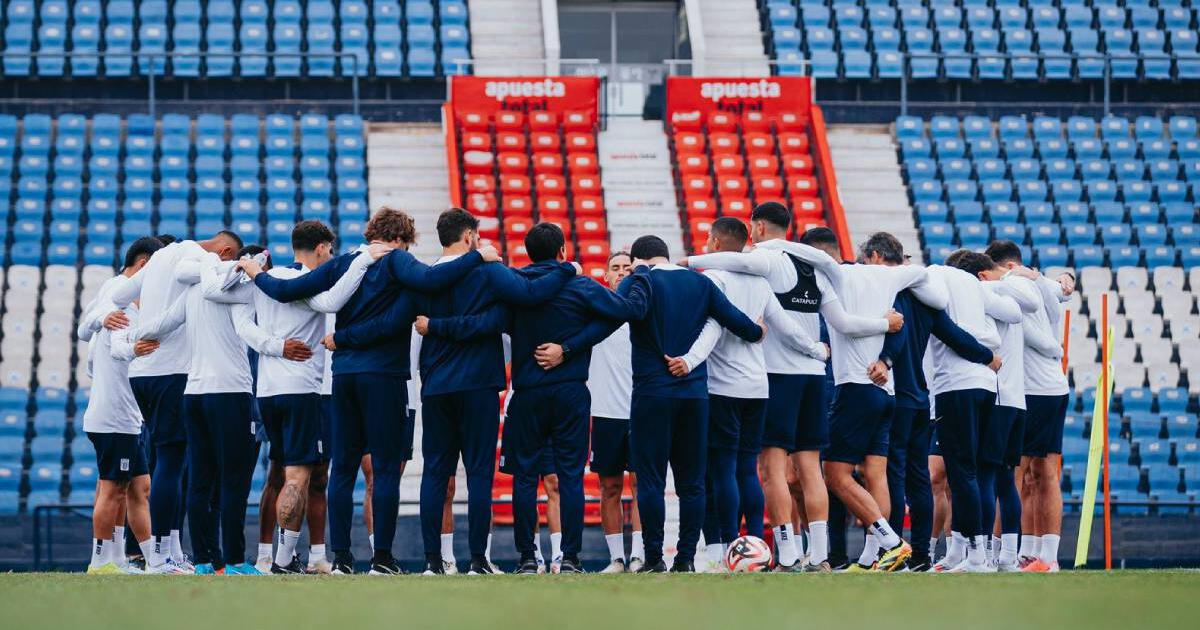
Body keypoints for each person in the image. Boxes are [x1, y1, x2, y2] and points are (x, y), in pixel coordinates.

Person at [245, 208, 498, 574]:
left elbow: (287, 290)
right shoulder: (398, 261)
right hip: (383, 377)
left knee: (343, 469)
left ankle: (343, 558)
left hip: (343, 377)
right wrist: (477, 256)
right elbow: (428, 283)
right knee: (383, 470)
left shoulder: (344, 262)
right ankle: (381, 558)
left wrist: (256, 274)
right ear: (401, 238)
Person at [345, 208, 573, 575]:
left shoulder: (421, 276)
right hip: (479, 385)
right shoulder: (488, 270)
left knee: (436, 473)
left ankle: (434, 561)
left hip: (436, 387)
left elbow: (402, 323)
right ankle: (478, 561)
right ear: (469, 236)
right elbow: (515, 306)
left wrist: (437, 326)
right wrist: (567, 268)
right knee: (479, 474)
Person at [682, 212, 904, 572]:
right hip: (814, 378)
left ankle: (786, 553)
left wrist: (688, 261)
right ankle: (819, 556)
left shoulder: (769, 260)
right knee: (810, 468)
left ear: (757, 227)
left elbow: (730, 259)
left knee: (771, 469)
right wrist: (825, 347)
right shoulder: (817, 270)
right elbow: (841, 323)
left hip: (779, 376)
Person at [430, 223, 649, 574]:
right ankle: (571, 558)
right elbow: (624, 313)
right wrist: (571, 347)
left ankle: (527, 558)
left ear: (528, 253)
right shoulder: (579, 285)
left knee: (525, 477)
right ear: (563, 251)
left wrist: (438, 326)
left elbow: (488, 322)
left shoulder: (514, 288)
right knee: (571, 476)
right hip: (570, 392)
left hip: (527, 393)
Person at [596, 234, 764, 573]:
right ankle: (685, 558)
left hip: (651, 395)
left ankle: (654, 558)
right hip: (693, 395)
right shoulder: (698, 283)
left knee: (652, 480)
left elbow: (613, 313)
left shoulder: (638, 280)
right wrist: (755, 331)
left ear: (640, 260)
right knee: (691, 483)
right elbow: (736, 321)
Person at [86, 231, 244, 571]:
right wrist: (241, 271)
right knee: (173, 464)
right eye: (228, 260)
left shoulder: (158, 259)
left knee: (161, 467)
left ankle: (168, 550)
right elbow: (200, 279)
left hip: (142, 374)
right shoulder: (199, 257)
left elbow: (119, 293)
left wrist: (115, 321)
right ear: (225, 251)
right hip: (171, 371)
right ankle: (160, 555)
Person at [679, 218, 831, 572]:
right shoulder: (762, 284)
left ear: (716, 243)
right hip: (757, 387)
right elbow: (787, 327)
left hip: (723, 386)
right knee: (749, 470)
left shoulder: (714, 279)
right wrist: (815, 350)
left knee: (723, 471)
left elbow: (712, 329)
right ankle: (759, 546)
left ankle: (733, 547)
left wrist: (688, 361)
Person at [226, 222, 377, 573]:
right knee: (298, 478)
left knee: (281, 471)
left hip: (267, 392)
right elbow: (334, 301)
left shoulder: (266, 278)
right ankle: (281, 559)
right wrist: (362, 259)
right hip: (303, 390)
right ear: (322, 248)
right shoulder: (307, 283)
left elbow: (243, 323)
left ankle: (283, 556)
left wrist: (272, 346)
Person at [863, 234, 997, 572]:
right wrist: (987, 357)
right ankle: (921, 553)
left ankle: (892, 552)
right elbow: (955, 336)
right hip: (921, 397)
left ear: (876, 258)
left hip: (890, 392)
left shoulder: (879, 291)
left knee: (890, 474)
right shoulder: (926, 299)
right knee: (918, 477)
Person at [923, 252, 1022, 572]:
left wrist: (982, 354)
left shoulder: (933, 278)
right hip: (986, 385)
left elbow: (944, 328)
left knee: (962, 473)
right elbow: (1014, 311)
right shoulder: (975, 285)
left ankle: (976, 555)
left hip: (957, 383)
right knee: (973, 473)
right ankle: (964, 552)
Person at [984, 241, 1073, 572]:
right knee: (1032, 473)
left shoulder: (1016, 286)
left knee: (1033, 472)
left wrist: (1053, 346)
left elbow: (1030, 326)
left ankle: (1045, 558)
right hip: (1039, 387)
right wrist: (1065, 277)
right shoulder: (1037, 282)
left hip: (1039, 390)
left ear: (1005, 267)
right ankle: (1031, 552)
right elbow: (1066, 288)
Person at [80, 237, 165, 574]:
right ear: (144, 266)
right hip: (113, 415)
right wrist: (136, 350)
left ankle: (142, 560)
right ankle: (100, 562)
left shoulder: (117, 298)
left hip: (124, 414)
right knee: (113, 488)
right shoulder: (120, 297)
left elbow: (88, 345)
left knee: (137, 486)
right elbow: (111, 345)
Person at [583, 251, 643, 573]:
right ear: (605, 276)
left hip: (641, 410)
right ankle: (616, 558)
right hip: (605, 410)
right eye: (615, 268)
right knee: (609, 487)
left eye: (627, 268)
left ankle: (639, 555)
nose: (621, 272)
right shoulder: (595, 310)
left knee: (640, 484)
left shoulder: (646, 310)